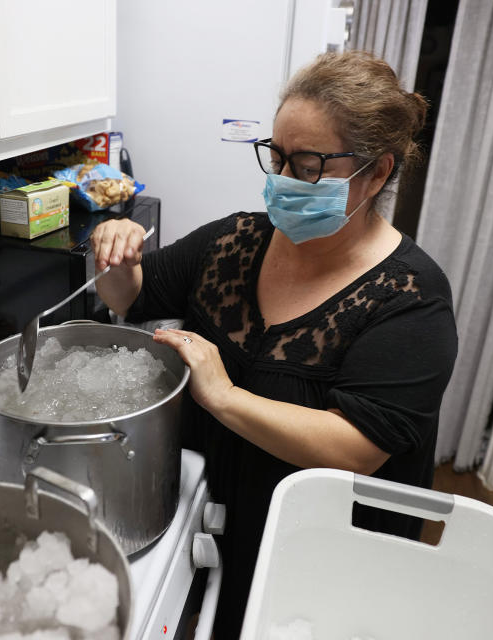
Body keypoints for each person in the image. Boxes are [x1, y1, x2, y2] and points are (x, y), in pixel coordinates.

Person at [91, 50, 457, 638]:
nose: (283, 179)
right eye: (277, 156)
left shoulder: (411, 299)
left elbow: (357, 448)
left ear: (378, 173)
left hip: (321, 557)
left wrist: (224, 395)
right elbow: (132, 295)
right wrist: (114, 250)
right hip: (210, 517)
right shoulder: (236, 240)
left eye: (309, 164)